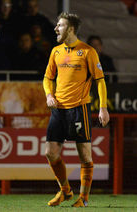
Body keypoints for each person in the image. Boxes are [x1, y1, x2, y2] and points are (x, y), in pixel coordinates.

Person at [43, 12, 110, 208]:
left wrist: (103, 108)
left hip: (79, 108)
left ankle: (84, 198)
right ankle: (65, 190)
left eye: (60, 25)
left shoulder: (88, 51)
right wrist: (49, 95)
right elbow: (48, 78)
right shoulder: (56, 51)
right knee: (50, 153)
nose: (56, 29)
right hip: (59, 109)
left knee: (85, 156)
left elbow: (100, 81)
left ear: (70, 29)